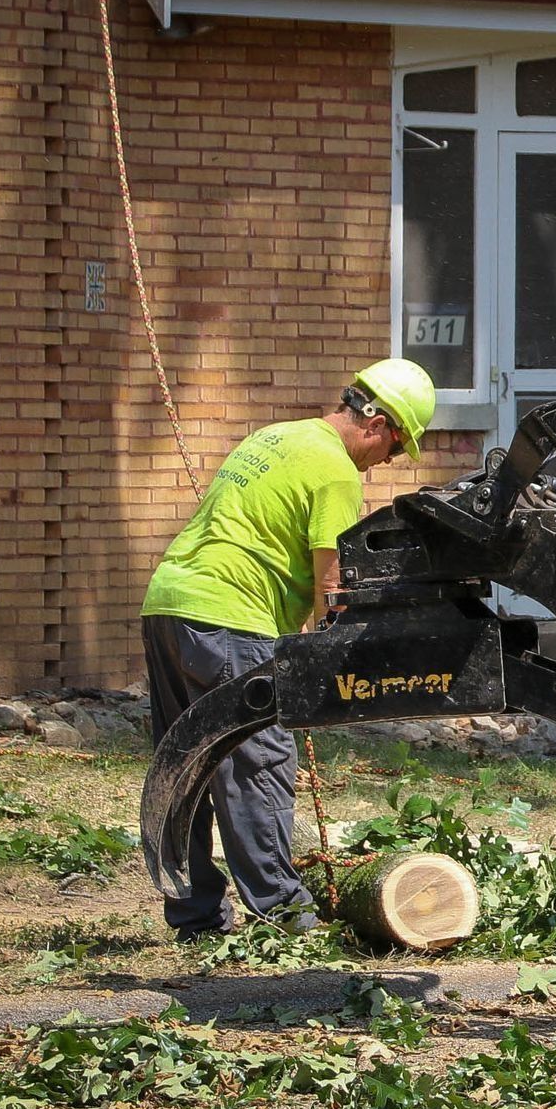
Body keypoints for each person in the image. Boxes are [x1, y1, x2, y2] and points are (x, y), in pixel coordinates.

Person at [141, 358, 437, 940]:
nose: (387, 463)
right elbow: (333, 585)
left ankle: (196, 919)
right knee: (258, 764)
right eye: (396, 450)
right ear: (378, 424)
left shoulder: (275, 437)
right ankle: (284, 913)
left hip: (169, 606)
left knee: (184, 767)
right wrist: (338, 655)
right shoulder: (335, 472)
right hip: (231, 621)